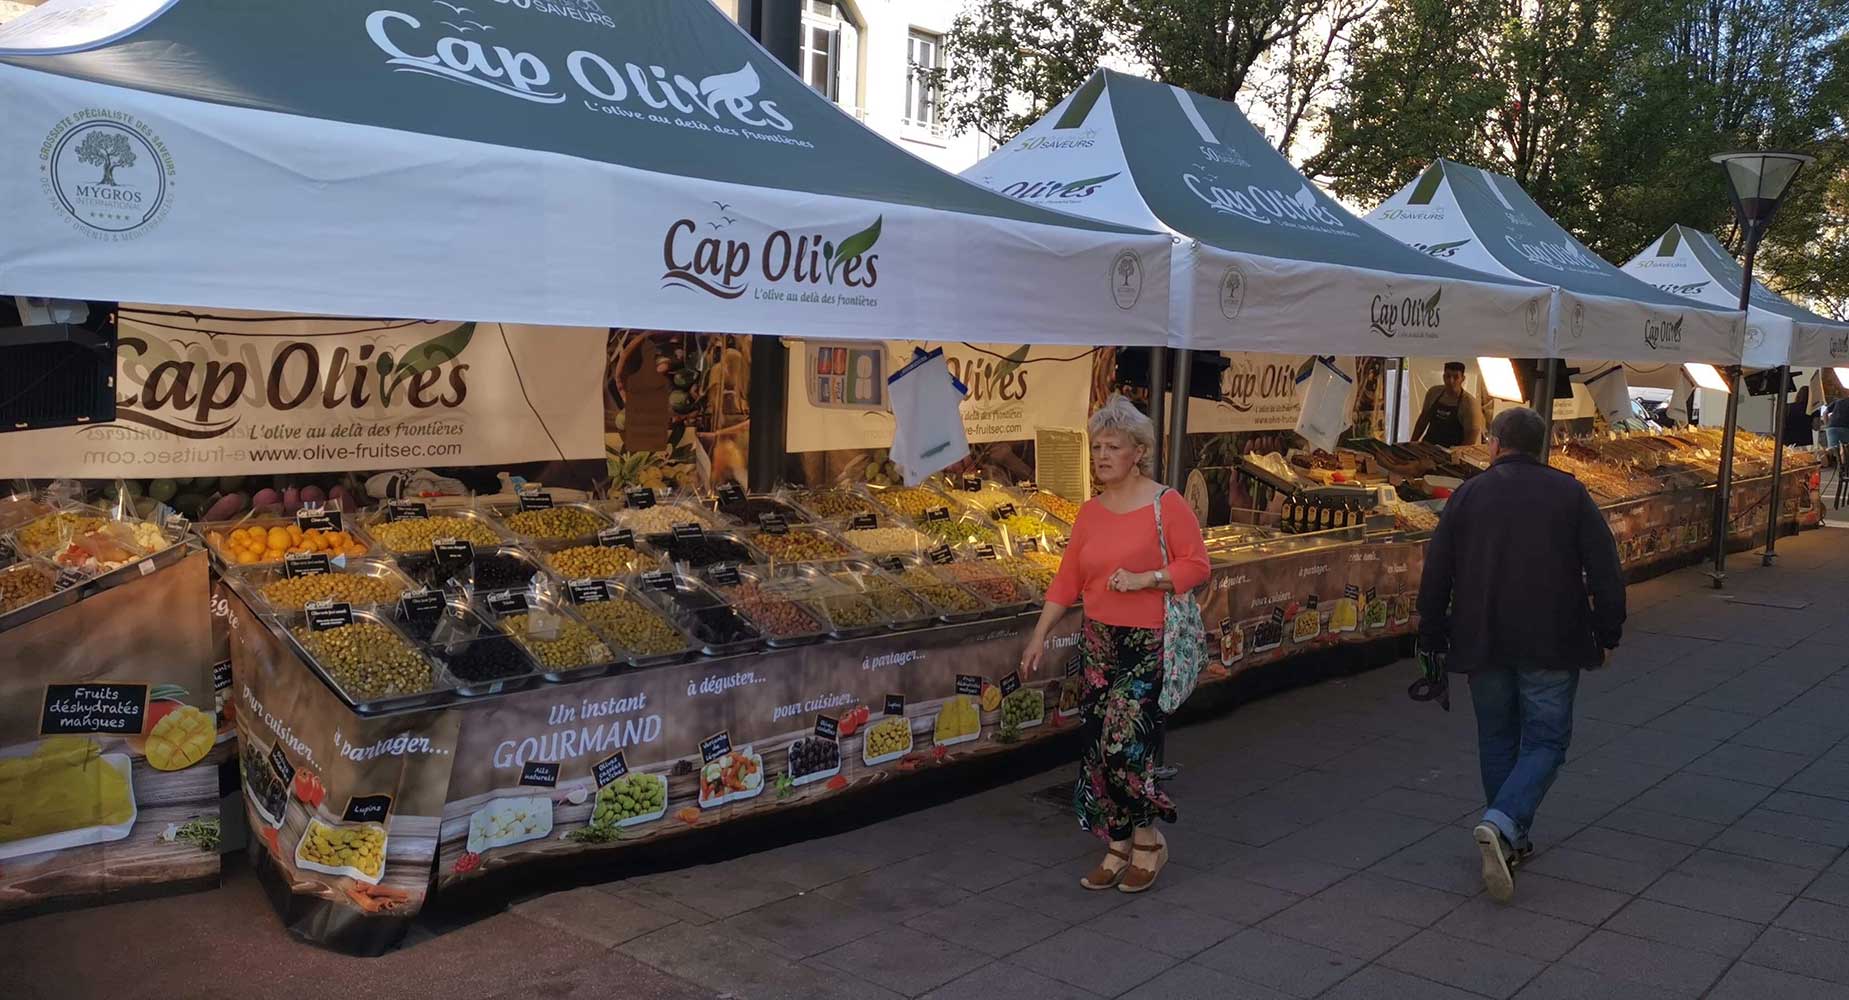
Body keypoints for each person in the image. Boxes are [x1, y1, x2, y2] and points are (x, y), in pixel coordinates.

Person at [1416, 406, 1625, 903]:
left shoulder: (1468, 495)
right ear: (1541, 446)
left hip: (1482, 637)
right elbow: (1605, 568)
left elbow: (1436, 571)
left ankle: (1508, 836)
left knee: (1497, 737)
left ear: (1494, 444)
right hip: (1552, 639)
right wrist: (1608, 632)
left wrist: (1432, 634)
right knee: (1547, 740)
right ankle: (1503, 822)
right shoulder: (1570, 493)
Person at [1022, 395, 1209, 894]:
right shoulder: (1089, 513)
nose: (1103, 456)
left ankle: (1149, 841)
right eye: (1098, 447)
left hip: (1147, 642)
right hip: (1099, 641)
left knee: (1125, 744)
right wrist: (1039, 635)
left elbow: (1197, 565)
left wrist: (1148, 578)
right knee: (1096, 747)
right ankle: (1118, 843)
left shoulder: (1166, 504)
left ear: (1138, 452)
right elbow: (1067, 581)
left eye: (1114, 447)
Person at [1411, 362, 1486, 446]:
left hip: (1450, 450)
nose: (1451, 381)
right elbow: (1423, 420)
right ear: (1443, 377)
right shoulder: (1433, 393)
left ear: (1463, 378)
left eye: (1456, 377)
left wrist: (1456, 454)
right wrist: (1411, 443)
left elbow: (1470, 438)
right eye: (1448, 376)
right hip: (1428, 446)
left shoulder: (1469, 404)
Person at [1784, 384, 1814, 449]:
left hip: (1787, 439)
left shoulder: (1788, 407)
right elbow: (1816, 427)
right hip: (1804, 440)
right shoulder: (1812, 409)